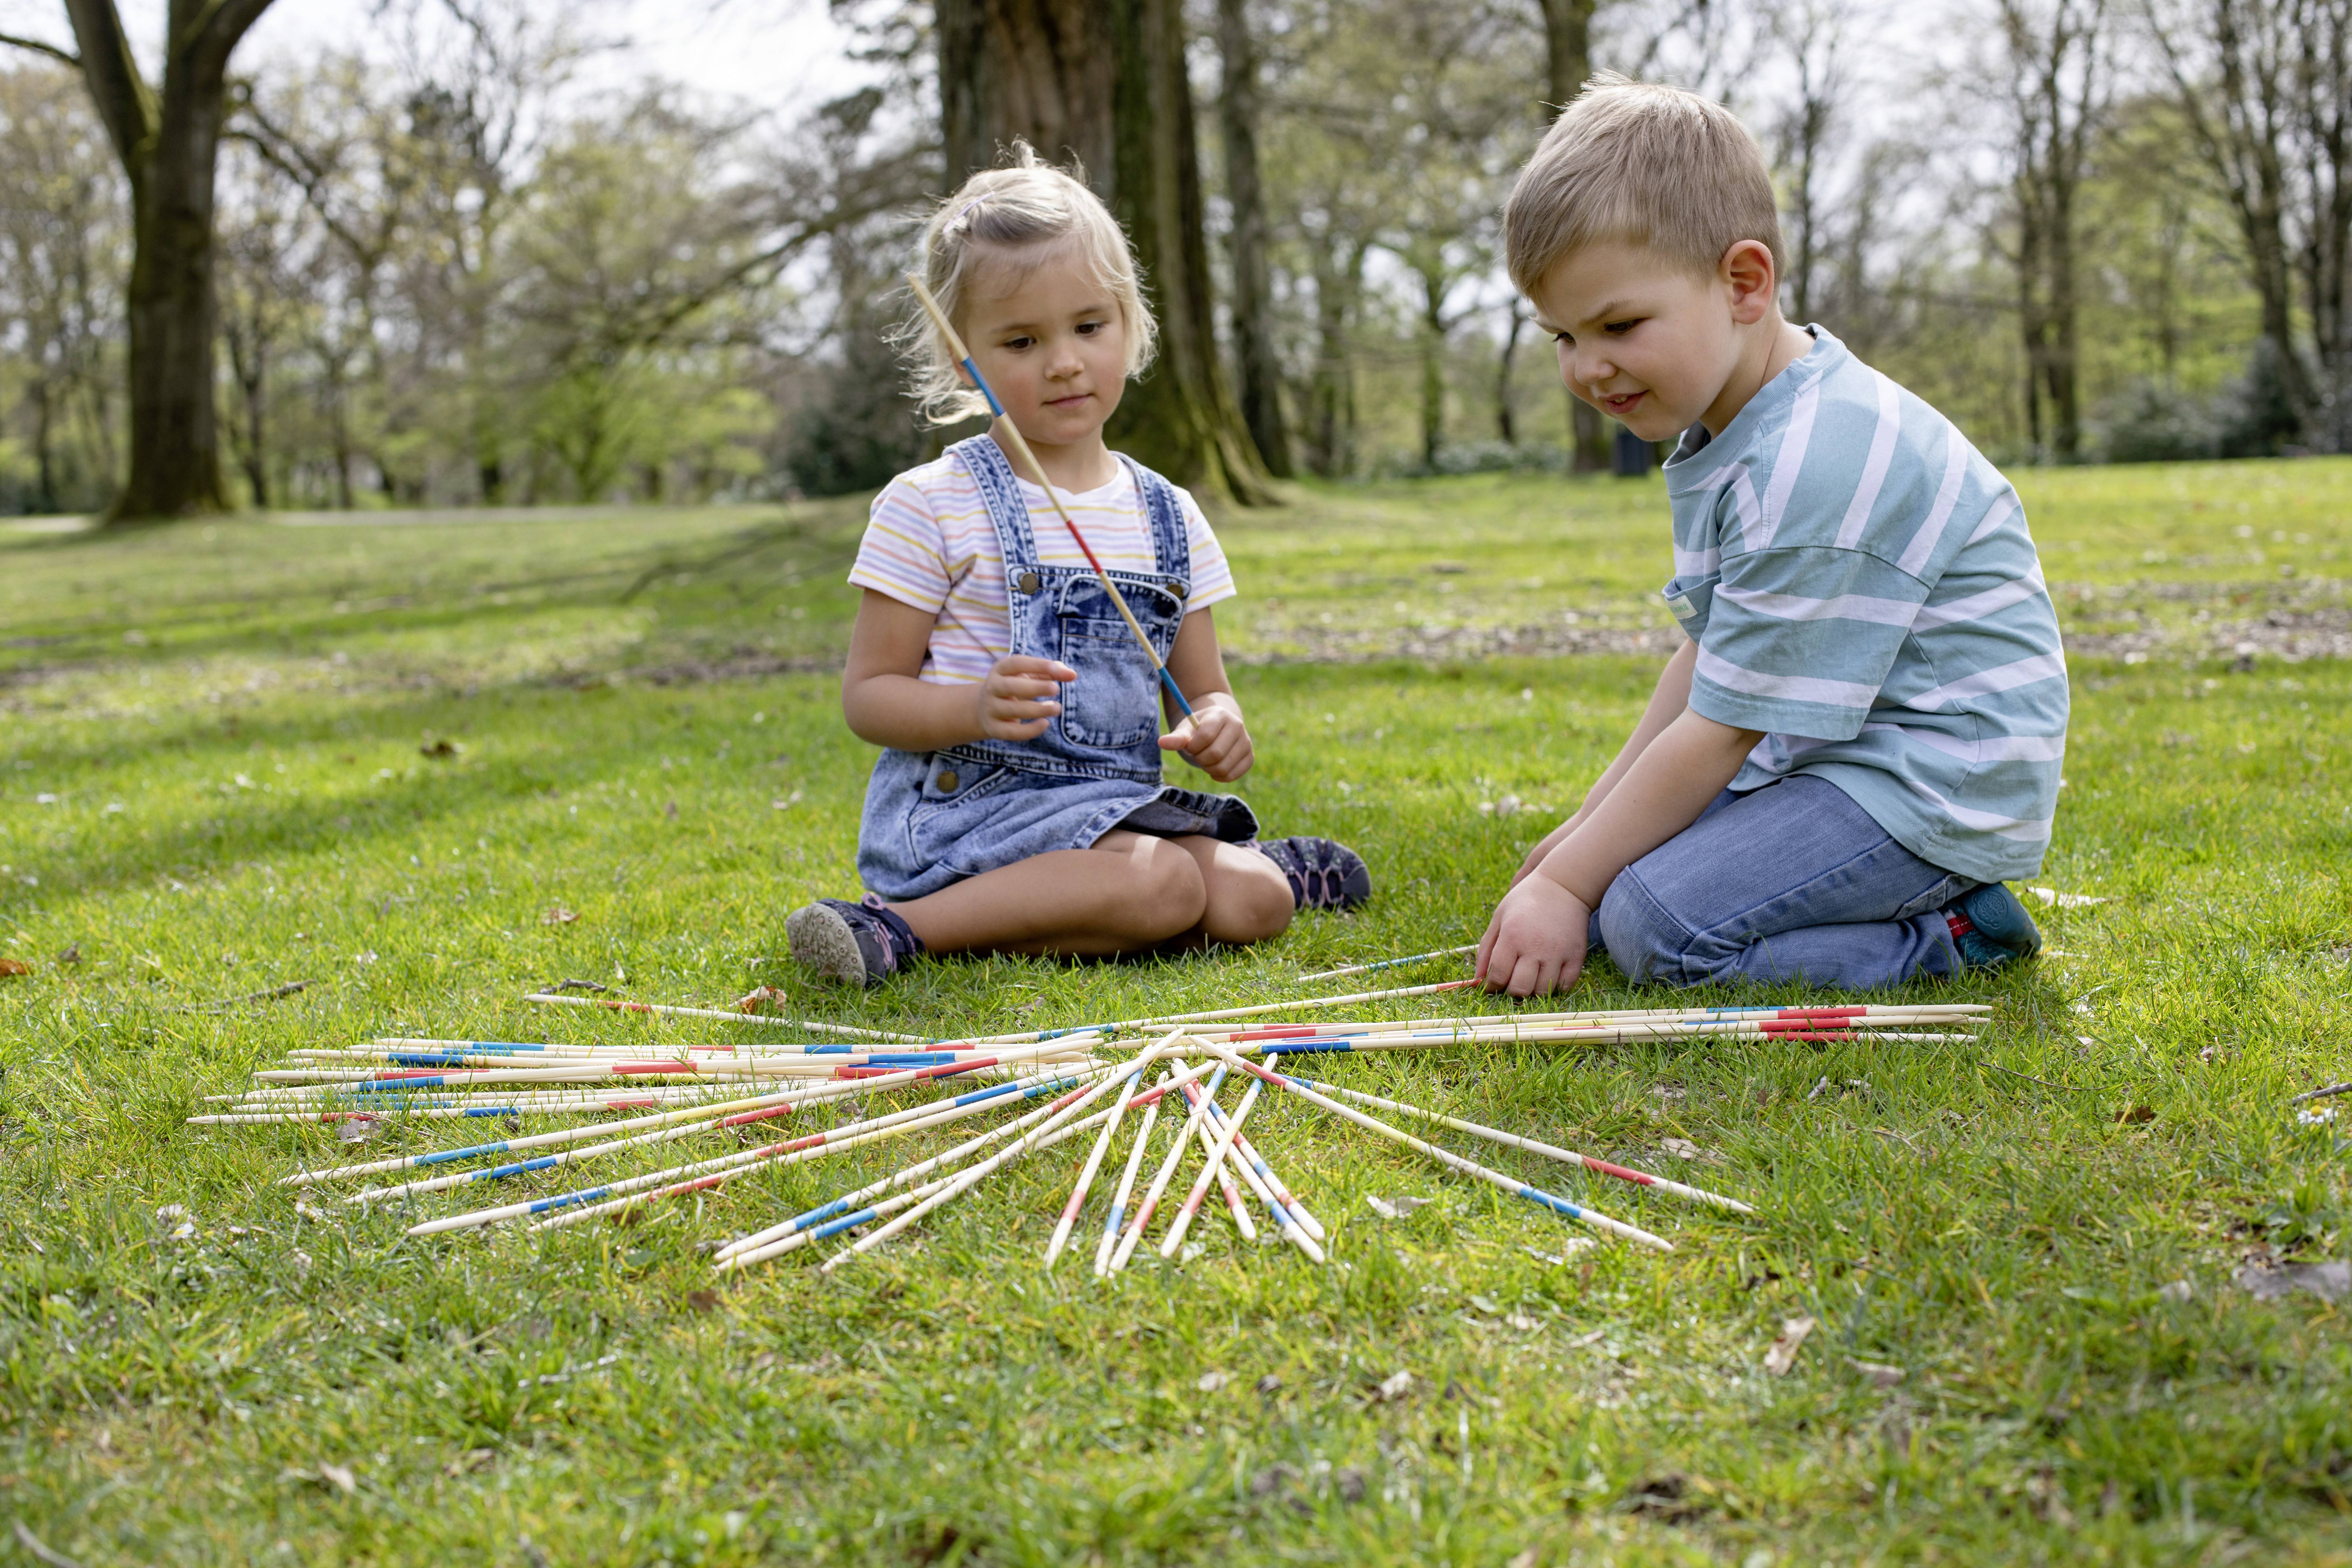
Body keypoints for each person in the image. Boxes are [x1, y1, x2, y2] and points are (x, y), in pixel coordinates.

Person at [1477, 76, 2068, 996]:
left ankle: (1956, 931)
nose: (1588, 367)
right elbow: (1715, 654)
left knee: (1655, 925)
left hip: (1931, 789)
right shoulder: (1736, 425)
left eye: (1619, 325)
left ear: (1744, 283)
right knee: (1623, 873)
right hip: (1841, 762)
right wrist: (1588, 831)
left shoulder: (1819, 456)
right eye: (1562, 334)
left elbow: (1722, 727)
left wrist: (1570, 881)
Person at [787, 145, 1369, 987]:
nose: (1064, 361)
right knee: (1166, 885)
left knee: (1255, 900)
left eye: (1089, 326)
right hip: (969, 820)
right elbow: (869, 697)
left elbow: (1203, 686)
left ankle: (1217, 869)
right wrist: (973, 706)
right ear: (967, 361)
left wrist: (1216, 723)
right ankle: (897, 928)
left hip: (1111, 817)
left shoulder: (1169, 512)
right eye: (1022, 340)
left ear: (1130, 324)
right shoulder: (931, 503)